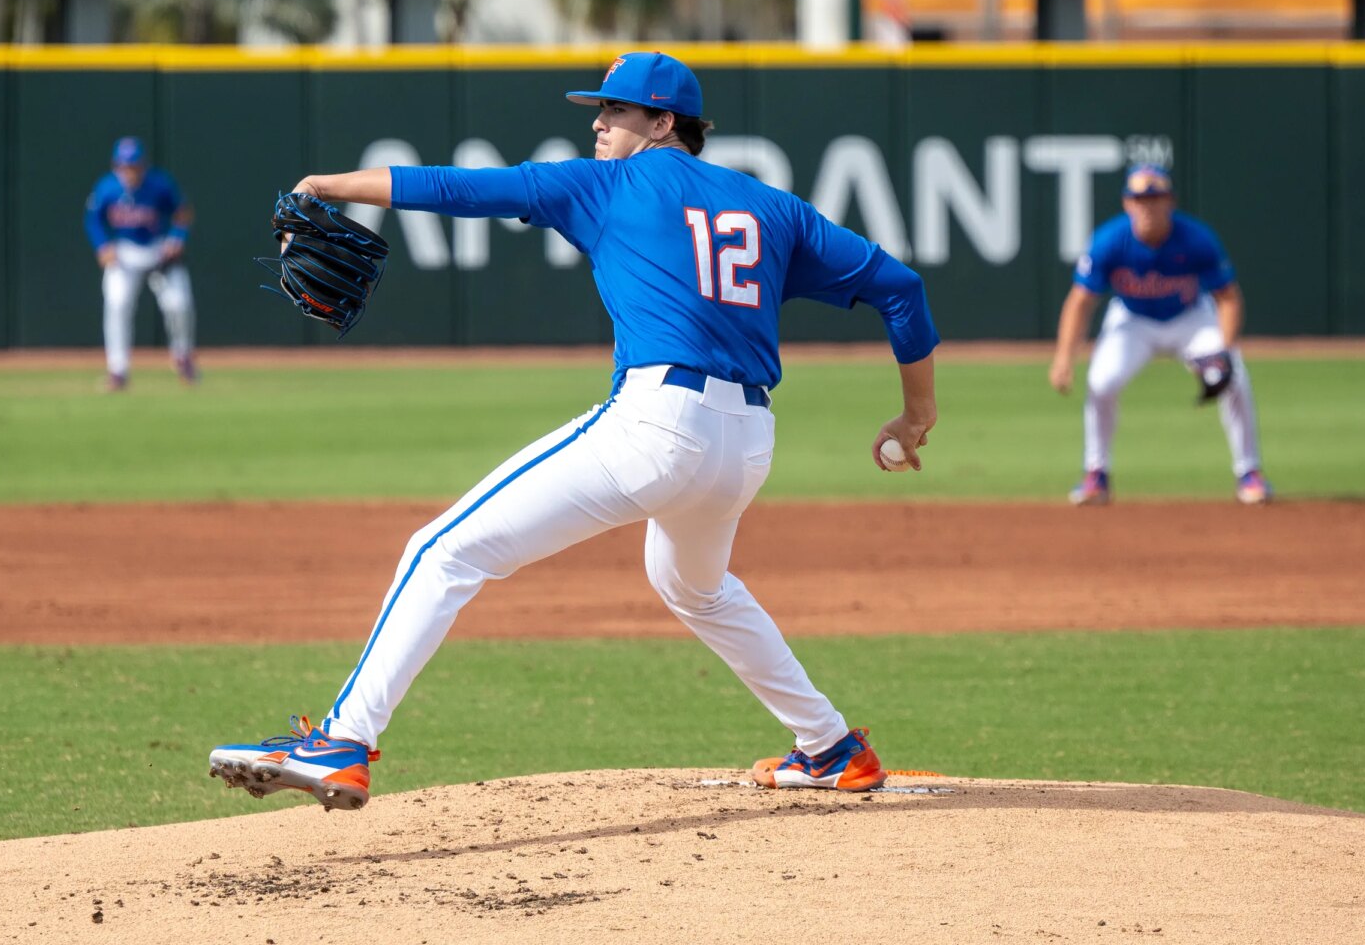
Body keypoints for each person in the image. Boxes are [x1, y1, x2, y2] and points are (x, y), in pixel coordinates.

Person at [209, 51, 940, 811]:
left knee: (443, 550)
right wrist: (915, 415)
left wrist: (328, 185)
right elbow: (901, 290)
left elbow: (460, 188)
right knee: (693, 583)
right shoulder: (774, 208)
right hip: (747, 440)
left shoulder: (609, 183)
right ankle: (830, 748)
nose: (598, 122)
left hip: (661, 423)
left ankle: (343, 740)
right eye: (599, 109)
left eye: (616, 111)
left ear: (664, 124)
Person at [1048, 165, 1271, 506]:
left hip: (1190, 318)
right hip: (1133, 321)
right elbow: (1080, 301)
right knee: (1101, 382)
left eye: (1155, 197)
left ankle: (1249, 472)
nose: (1148, 205)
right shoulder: (1110, 240)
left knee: (1235, 378)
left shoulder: (1196, 238)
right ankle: (1096, 475)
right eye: (1140, 198)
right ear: (1127, 203)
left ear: (1170, 201)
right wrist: (1065, 357)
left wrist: (1223, 350)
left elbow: (1228, 298)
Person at [84, 137, 197, 391]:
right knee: (117, 304)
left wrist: (177, 239)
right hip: (123, 253)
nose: (129, 170)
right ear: (116, 165)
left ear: (142, 165)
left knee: (179, 305)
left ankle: (183, 357)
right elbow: (92, 219)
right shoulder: (107, 187)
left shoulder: (159, 184)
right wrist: (102, 245)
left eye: (133, 165)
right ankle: (117, 370)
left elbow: (183, 212)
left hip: (158, 250)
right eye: (124, 165)